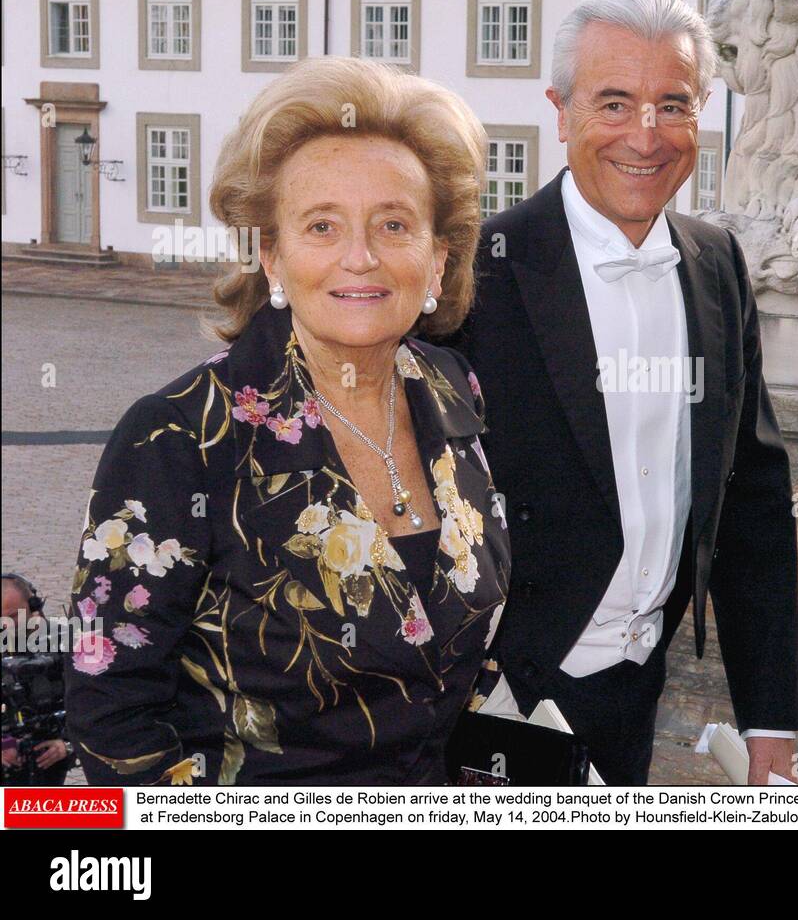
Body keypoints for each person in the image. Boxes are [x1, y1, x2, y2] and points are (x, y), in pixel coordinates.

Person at [63, 57, 509, 785]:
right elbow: (111, 711)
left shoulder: (454, 389)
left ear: (437, 260)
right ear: (271, 254)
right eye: (322, 225)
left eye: (393, 224)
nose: (359, 257)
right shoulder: (179, 436)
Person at [448, 0, 798, 785]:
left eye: (672, 105)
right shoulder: (476, 274)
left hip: (636, 693)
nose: (647, 135)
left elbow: (751, 499)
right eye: (614, 103)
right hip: (496, 701)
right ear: (560, 110)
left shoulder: (719, 264)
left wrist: (770, 718)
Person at [2, 573, 76, 783]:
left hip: (47, 756)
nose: (7, 625)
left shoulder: (59, 642)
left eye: (14, 615)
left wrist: (67, 744)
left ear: (33, 607)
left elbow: (86, 704)